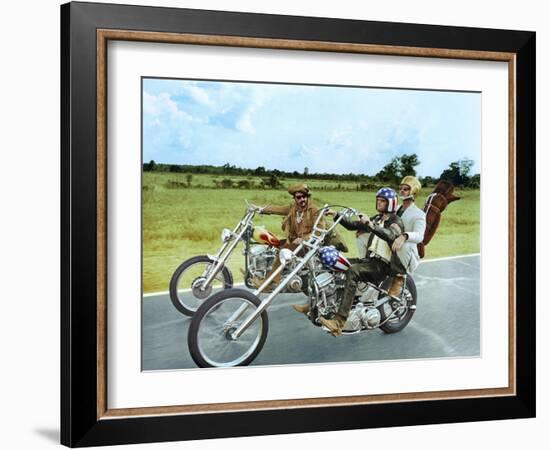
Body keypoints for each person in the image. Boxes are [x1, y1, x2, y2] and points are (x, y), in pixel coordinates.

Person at [319, 187, 406, 336]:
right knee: (336, 264)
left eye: (383, 201)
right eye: (378, 200)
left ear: (391, 203)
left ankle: (338, 322)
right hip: (369, 260)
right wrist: (336, 215)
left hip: (382, 266)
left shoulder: (395, 221)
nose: (379, 203)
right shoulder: (377, 219)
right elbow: (352, 225)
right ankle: (318, 307)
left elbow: (391, 235)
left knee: (353, 271)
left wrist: (371, 226)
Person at [255, 184, 325, 308]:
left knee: (284, 251)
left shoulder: (314, 211)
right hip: (295, 243)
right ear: (295, 199)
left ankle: (269, 283)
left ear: (308, 197)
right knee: (272, 245)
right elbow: (277, 209)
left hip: (309, 246)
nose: (302, 200)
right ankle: (260, 273)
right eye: (299, 197)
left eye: (304, 197)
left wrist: (303, 238)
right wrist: (260, 209)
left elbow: (319, 230)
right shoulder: (293, 208)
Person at [388, 176, 427, 295]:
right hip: (391, 246)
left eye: (406, 189)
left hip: (407, 253)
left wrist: (404, 236)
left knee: (405, 244)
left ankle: (399, 278)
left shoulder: (419, 214)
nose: (402, 191)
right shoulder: (396, 209)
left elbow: (420, 236)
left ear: (413, 192)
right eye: (401, 188)